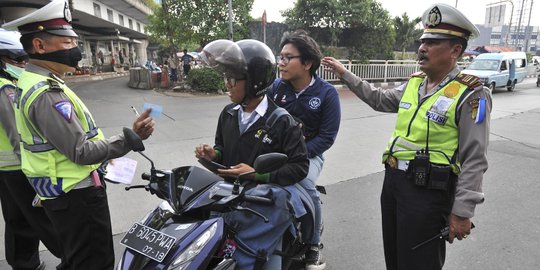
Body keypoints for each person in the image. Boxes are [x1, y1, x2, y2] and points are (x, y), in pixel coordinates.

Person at [322, 3, 491, 270]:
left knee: (419, 262)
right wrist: (345, 74)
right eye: (423, 40)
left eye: (433, 42)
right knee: (396, 257)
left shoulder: (470, 93)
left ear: (455, 50)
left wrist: (462, 211)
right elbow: (378, 99)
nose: (422, 48)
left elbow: (475, 157)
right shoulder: (414, 83)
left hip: (429, 192)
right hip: (394, 183)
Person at [2, 0, 155, 269]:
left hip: (62, 193)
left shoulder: (30, 82)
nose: (76, 50)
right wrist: (130, 137)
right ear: (39, 46)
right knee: (94, 262)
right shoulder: (46, 93)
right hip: (76, 195)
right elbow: (81, 152)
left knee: (76, 259)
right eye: (67, 43)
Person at [195, 39, 309, 269]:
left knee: (265, 262)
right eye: (225, 77)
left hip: (262, 213)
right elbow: (223, 149)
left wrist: (256, 175)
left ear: (255, 81)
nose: (227, 84)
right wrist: (213, 154)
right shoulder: (228, 113)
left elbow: (299, 167)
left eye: (232, 79)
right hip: (229, 203)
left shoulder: (282, 121)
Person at [268, 30, 341, 270]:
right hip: (275, 152)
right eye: (280, 57)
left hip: (310, 155)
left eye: (288, 58)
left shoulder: (327, 94)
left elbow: (327, 138)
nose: (281, 62)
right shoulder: (276, 88)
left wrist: (297, 157)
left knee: (307, 187)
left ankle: (313, 245)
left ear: (307, 63)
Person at [0, 28, 63, 270]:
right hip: (19, 168)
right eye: (16, 60)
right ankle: (73, 257)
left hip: (6, 169)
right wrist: (33, 172)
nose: (22, 64)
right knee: (43, 219)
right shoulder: (5, 88)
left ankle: (25, 263)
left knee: (16, 220)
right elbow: (15, 133)